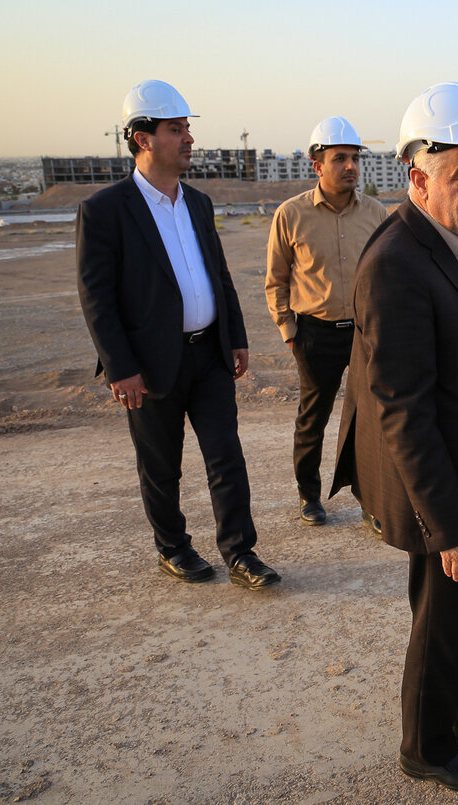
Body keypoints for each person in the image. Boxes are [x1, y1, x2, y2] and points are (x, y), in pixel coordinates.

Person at [330, 83, 458, 792]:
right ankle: (427, 744)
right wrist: (449, 528)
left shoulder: (453, 239)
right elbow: (402, 410)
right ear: (418, 179)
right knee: (444, 611)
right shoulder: (397, 263)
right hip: (440, 484)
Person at [76, 79, 279, 589]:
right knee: (161, 466)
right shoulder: (105, 210)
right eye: (175, 129)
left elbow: (219, 275)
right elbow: (97, 298)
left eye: (187, 128)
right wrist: (120, 368)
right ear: (142, 139)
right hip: (148, 365)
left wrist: (235, 336)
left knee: (226, 456)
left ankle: (240, 553)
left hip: (208, 354)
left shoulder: (199, 203)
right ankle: (173, 548)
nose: (189, 138)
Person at [265, 117, 387, 528]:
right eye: (340, 158)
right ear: (317, 165)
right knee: (312, 419)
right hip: (314, 333)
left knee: (372, 420)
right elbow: (276, 280)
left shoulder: (375, 212)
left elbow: (387, 273)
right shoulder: (290, 214)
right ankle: (309, 496)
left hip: (365, 333)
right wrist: (290, 332)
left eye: (355, 158)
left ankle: (372, 501)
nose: (351, 166)